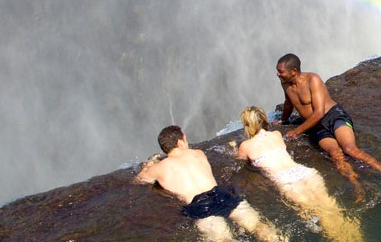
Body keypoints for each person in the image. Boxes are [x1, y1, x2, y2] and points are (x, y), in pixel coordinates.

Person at [231, 106, 363, 242]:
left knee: (318, 216)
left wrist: (234, 147)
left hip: (286, 181)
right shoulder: (276, 134)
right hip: (306, 172)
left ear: (247, 125)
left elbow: (240, 160)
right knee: (332, 208)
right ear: (264, 119)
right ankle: (356, 237)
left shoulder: (245, 146)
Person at [135, 125, 285, 242]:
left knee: (224, 239)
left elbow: (139, 180)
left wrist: (151, 163)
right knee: (258, 226)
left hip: (200, 205)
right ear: (180, 142)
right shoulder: (198, 153)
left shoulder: (159, 168)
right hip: (222, 193)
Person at [276, 53, 381, 200]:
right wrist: (283, 121)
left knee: (349, 149)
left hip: (333, 116)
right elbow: (288, 103)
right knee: (335, 154)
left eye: (281, 71)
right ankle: (357, 186)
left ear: (293, 71)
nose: (278, 74)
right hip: (316, 127)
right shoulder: (285, 84)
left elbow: (319, 113)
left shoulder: (313, 79)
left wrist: (296, 131)